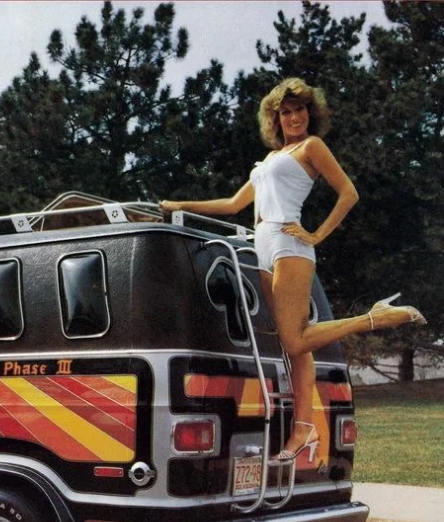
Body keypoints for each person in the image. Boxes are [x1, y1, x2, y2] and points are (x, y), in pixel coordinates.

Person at [160, 77, 425, 461]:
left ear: (309, 113)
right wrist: (179, 205)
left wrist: (316, 235)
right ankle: (303, 427)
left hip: (290, 243)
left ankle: (374, 317)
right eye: (286, 112)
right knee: (296, 349)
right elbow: (233, 205)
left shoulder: (311, 147)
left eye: (300, 109)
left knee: (295, 341)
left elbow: (349, 193)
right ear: (276, 118)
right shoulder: (269, 159)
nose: (294, 117)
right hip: (262, 245)